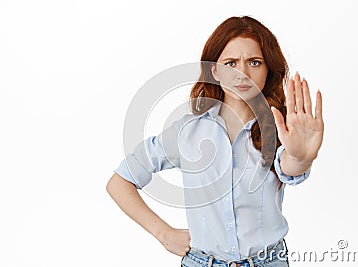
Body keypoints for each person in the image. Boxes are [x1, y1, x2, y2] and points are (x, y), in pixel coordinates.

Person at [106, 16, 324, 267]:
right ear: (215, 71)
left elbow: (290, 166)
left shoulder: (282, 129)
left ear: (268, 70)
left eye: (255, 62)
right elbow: (120, 181)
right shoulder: (187, 131)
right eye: (230, 62)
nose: (242, 73)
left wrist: (301, 156)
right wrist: (164, 234)